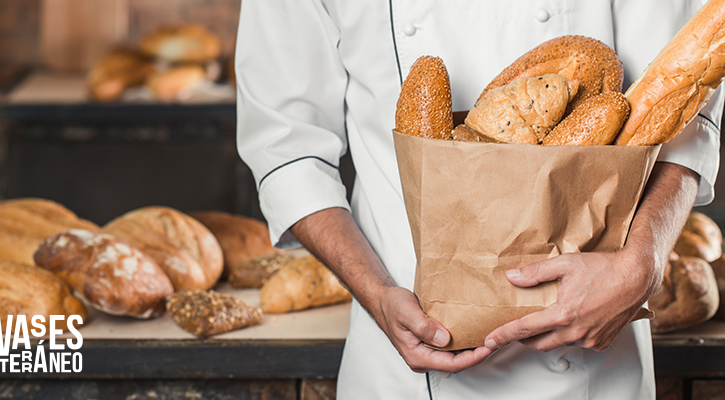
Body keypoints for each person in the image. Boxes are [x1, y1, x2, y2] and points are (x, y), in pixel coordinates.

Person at [235, 1, 722, 398]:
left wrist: (644, 259)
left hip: (593, 362)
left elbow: (680, 98)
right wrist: (377, 295)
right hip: (400, 365)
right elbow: (287, 147)